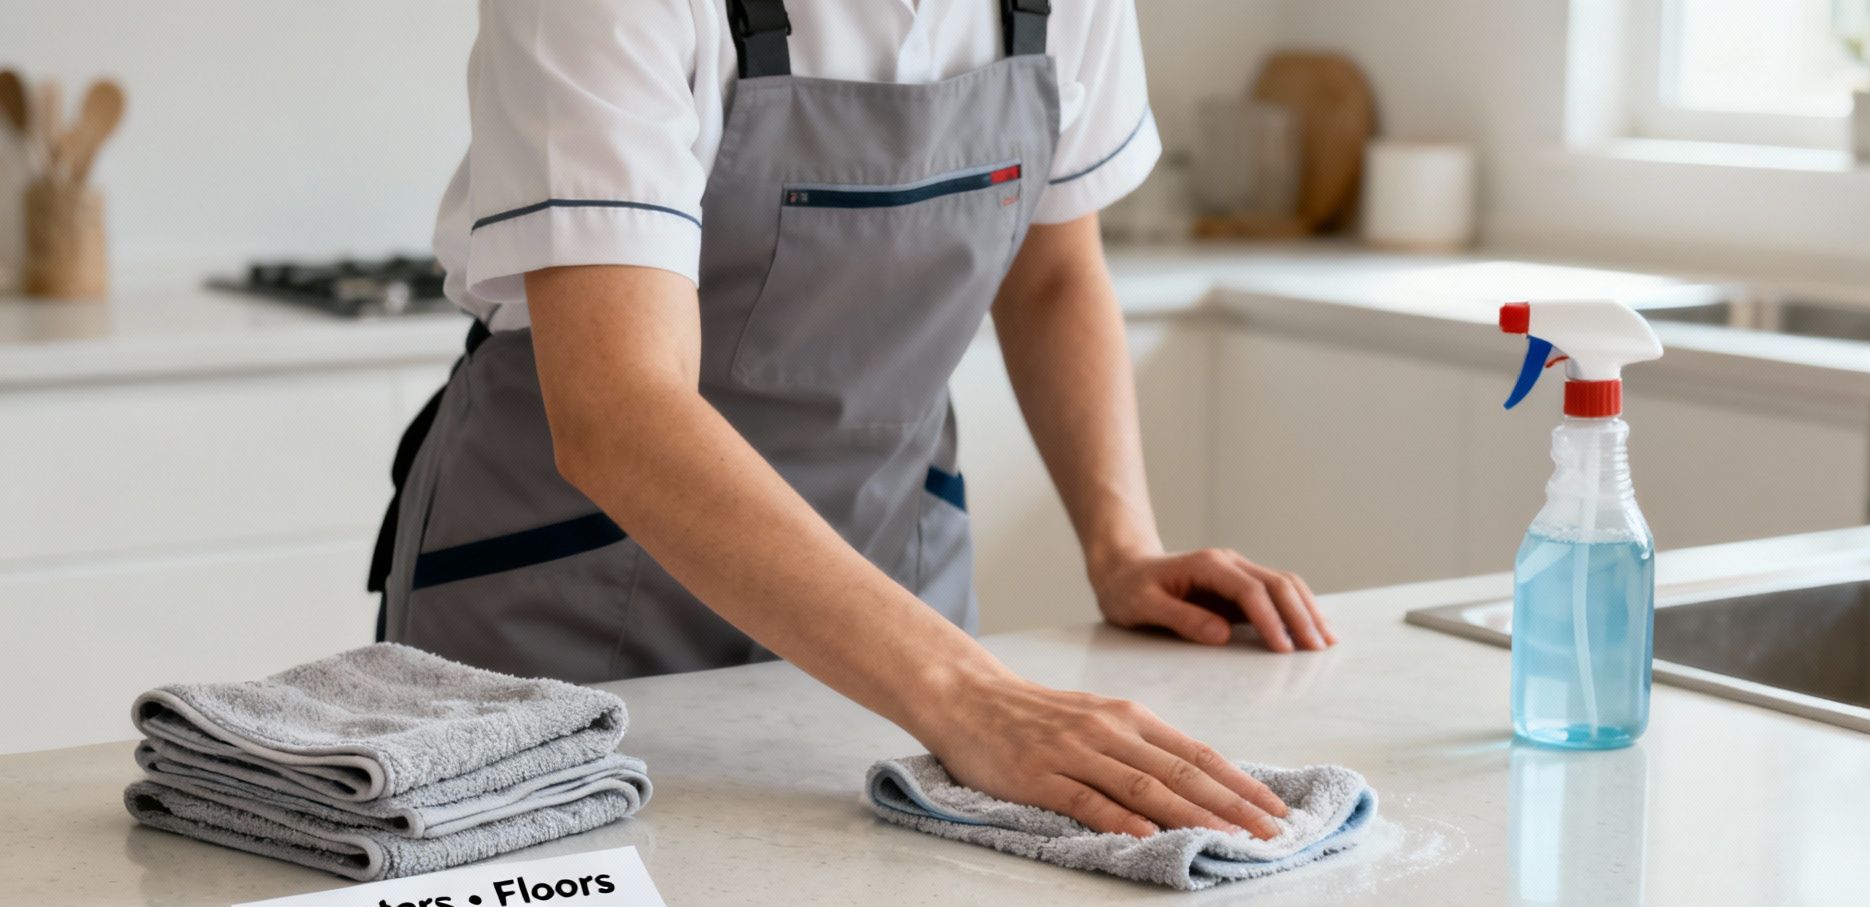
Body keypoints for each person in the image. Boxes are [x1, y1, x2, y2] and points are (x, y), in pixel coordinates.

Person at [371, 0, 1337, 842]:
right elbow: (622, 407)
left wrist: (1122, 547)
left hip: (891, 588)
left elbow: (1052, 272)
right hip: (570, 593)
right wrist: (969, 696)